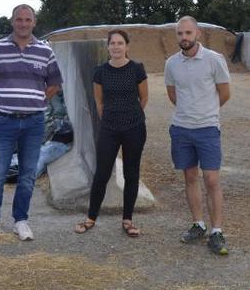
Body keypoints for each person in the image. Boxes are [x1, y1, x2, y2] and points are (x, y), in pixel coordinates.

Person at [0, 4, 63, 243]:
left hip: (34, 124)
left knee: (27, 175)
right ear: (12, 22)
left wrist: (40, 100)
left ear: (34, 22)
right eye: (19, 19)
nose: (23, 23)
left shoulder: (45, 51)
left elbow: (55, 83)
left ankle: (20, 221)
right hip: (5, 122)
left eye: (28, 19)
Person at [164, 16, 231, 255]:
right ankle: (198, 224)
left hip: (208, 129)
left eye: (188, 33)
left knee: (212, 180)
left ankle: (217, 231)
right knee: (190, 177)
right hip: (181, 129)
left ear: (198, 34)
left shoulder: (214, 60)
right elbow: (172, 94)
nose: (184, 37)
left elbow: (224, 93)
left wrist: (206, 112)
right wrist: (188, 112)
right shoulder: (171, 63)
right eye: (180, 34)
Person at [74, 29, 148, 237]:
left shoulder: (137, 69)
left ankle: (128, 219)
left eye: (120, 43)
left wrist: (130, 116)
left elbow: (144, 99)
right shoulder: (100, 71)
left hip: (134, 127)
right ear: (108, 47)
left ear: (127, 46)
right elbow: (99, 102)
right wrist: (112, 117)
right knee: (102, 174)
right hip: (109, 128)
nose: (116, 47)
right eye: (112, 43)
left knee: (131, 173)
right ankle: (91, 217)